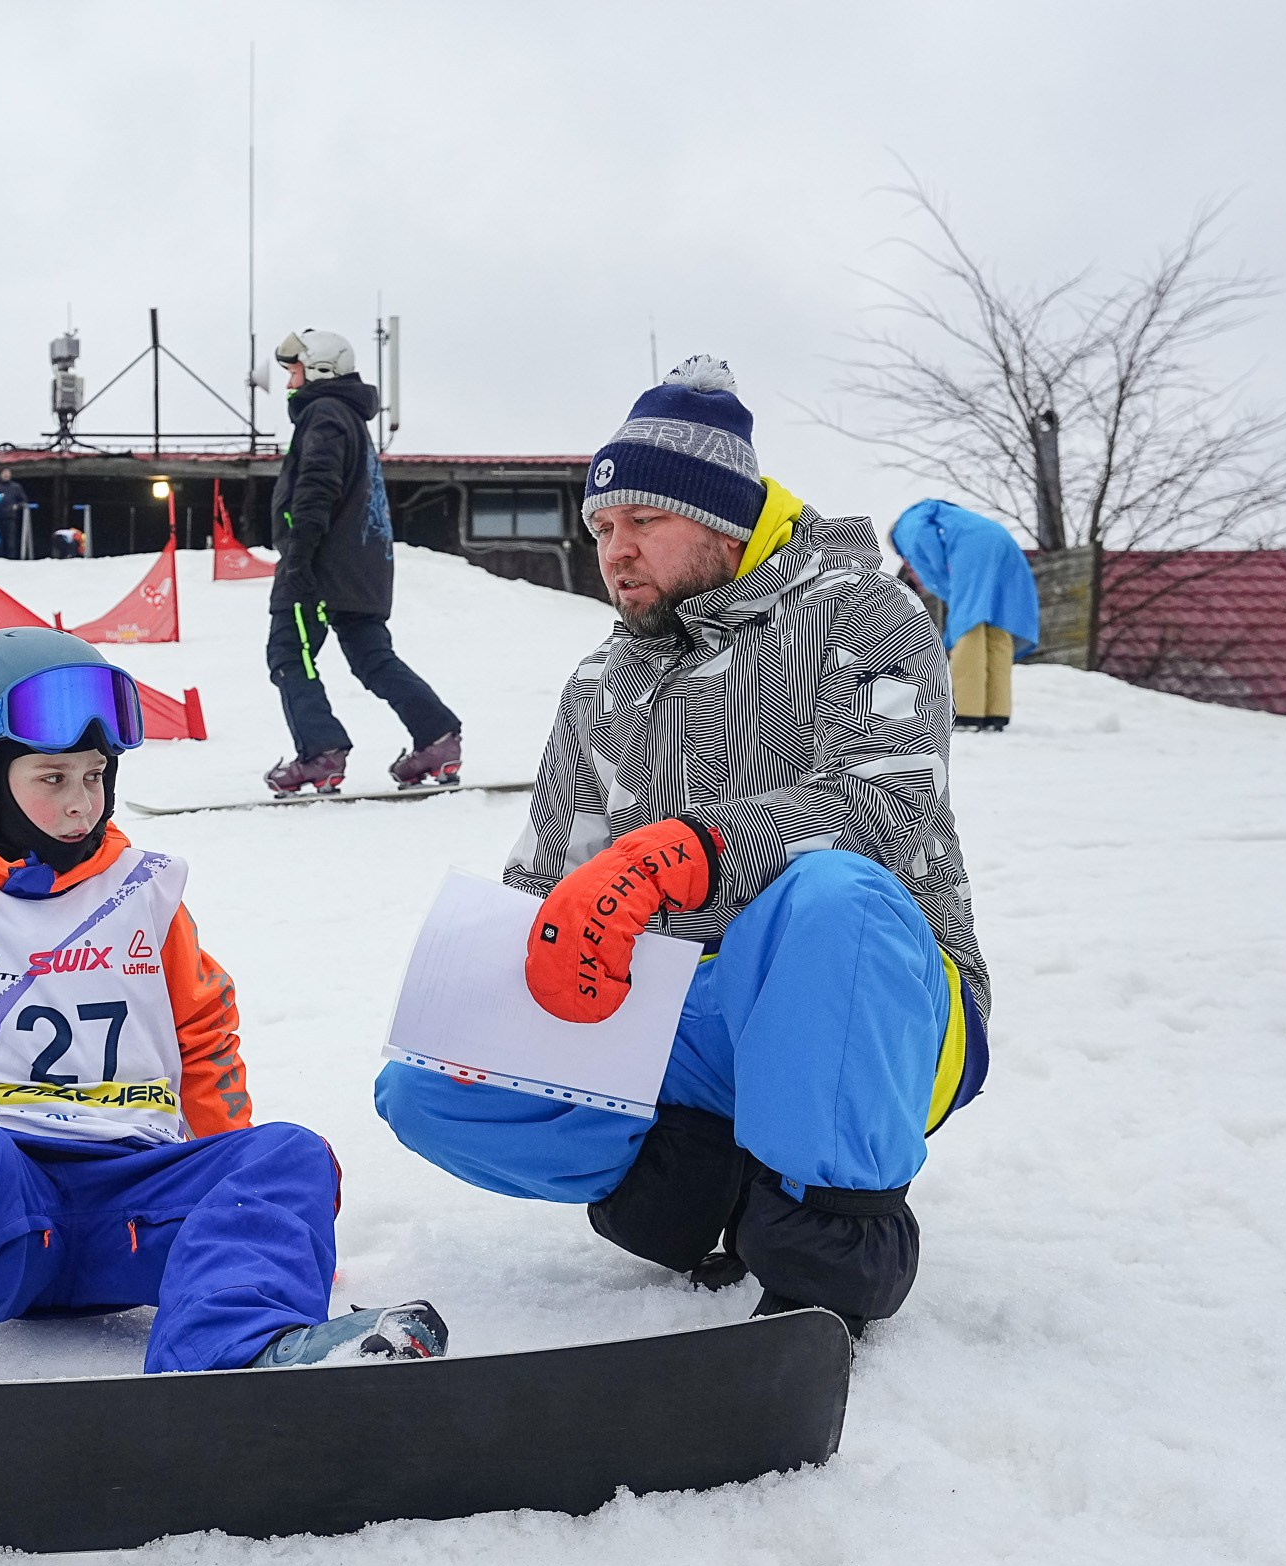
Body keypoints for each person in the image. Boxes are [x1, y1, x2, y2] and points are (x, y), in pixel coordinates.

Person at [373, 356, 991, 1335]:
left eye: (643, 521)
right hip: (694, 1020)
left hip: (881, 1003)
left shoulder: (861, 611)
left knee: (832, 897)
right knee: (428, 1089)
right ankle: (698, 1184)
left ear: (722, 521)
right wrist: (524, 969)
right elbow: (545, 877)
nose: (615, 551)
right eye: (601, 529)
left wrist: (685, 851)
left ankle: (826, 1259)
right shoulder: (600, 683)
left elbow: (886, 803)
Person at [0, 627, 447, 1387]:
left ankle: (234, 1351)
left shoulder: (144, 891)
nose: (81, 802)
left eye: (95, 775)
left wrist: (253, 1233)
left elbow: (204, 1042)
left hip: (134, 1206)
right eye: (53, 777)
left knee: (287, 1153)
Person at [261, 328, 462, 796]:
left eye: (295, 370)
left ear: (320, 369)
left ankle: (321, 753)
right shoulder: (348, 417)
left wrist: (299, 556)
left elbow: (316, 488)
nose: (289, 381)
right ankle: (438, 738)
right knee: (372, 658)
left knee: (289, 654)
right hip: (361, 567)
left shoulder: (323, 414)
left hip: (318, 567)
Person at [891, 499, 1042, 731]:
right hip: (1004, 542)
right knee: (997, 626)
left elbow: (921, 536)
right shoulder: (949, 516)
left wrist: (940, 570)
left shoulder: (904, 525)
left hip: (973, 549)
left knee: (968, 627)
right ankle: (996, 713)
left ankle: (967, 712)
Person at [0, 466, 31, 558]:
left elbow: (24, 500)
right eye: (4, 473)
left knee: (11, 541)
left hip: (11, 517)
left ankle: (11, 559)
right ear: (0, 475)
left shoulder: (16, 487)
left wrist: (17, 506)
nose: (6, 475)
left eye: (8, 473)